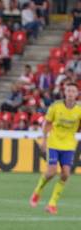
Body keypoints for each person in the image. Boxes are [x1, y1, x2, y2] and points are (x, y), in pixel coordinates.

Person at [30, 82, 81, 214]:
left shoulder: (79, 110)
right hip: (54, 143)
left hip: (69, 145)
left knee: (65, 174)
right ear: (65, 92)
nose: (70, 93)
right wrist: (44, 140)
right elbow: (47, 123)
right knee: (51, 172)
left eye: (73, 91)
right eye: (68, 91)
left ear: (77, 94)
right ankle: (37, 191)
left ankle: (52, 204)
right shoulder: (56, 106)